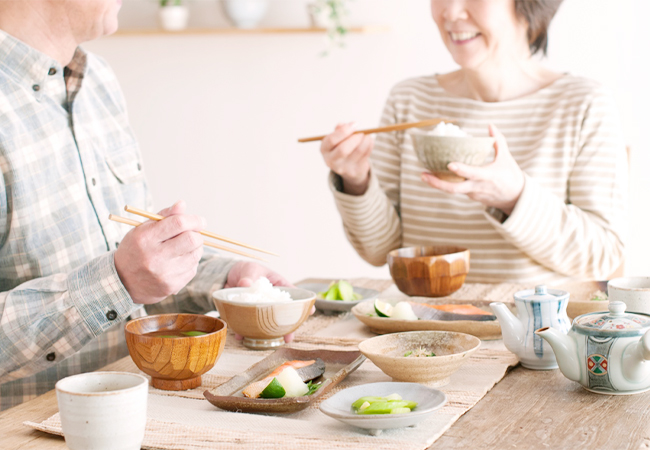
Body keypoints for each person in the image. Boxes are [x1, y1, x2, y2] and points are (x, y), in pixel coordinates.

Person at [0, 0, 290, 411]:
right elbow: (121, 278)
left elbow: (134, 270)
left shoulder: (96, 79)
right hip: (30, 430)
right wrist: (116, 281)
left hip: (134, 411)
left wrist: (223, 280)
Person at [320, 0, 627, 284]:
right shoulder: (409, 100)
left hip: (529, 338)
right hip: (419, 331)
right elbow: (379, 251)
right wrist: (356, 181)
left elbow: (602, 257)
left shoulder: (583, 104)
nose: (451, 12)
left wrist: (514, 197)